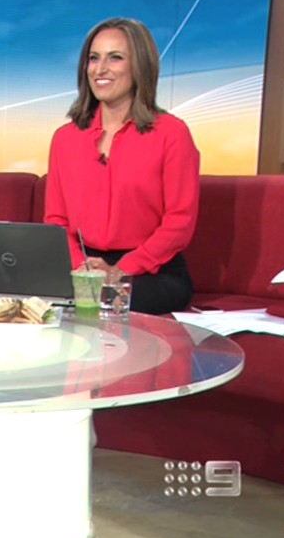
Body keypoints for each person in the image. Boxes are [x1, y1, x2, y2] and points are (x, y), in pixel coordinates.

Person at [45, 18, 200, 315]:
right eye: (94, 58)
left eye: (114, 58)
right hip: (82, 267)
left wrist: (120, 270)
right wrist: (82, 268)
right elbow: (56, 220)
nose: (100, 69)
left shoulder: (171, 134)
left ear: (140, 66)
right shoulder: (65, 138)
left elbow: (179, 223)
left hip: (150, 273)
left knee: (108, 301)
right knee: (42, 300)